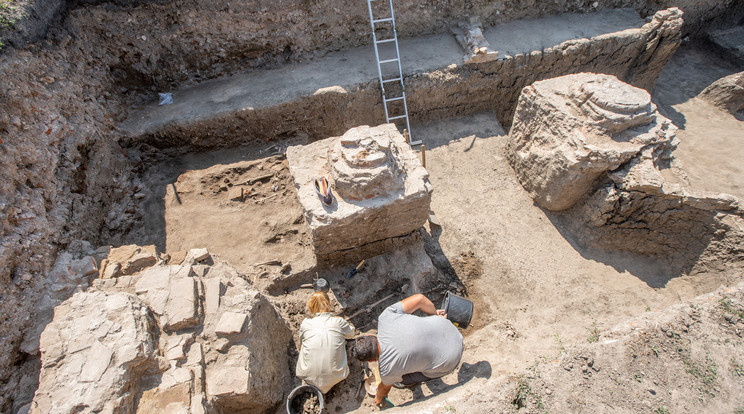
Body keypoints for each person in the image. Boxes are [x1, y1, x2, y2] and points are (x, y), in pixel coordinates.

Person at [352, 293, 463, 406]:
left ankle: (408, 383)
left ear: (372, 361)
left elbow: (384, 389)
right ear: (371, 336)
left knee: (400, 380)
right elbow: (420, 299)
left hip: (452, 359)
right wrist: (434, 316)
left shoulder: (387, 369)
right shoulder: (385, 317)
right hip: (448, 326)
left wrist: (378, 398)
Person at [295, 291, 355, 393]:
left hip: (307, 374)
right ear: (329, 303)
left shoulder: (306, 324)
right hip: (337, 375)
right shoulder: (338, 322)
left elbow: (301, 341)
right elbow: (351, 333)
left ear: (311, 307)